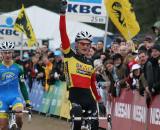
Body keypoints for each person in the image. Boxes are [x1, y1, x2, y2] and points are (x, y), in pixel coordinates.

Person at [59, 1, 101, 130]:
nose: (85, 46)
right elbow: (63, 32)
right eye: (82, 44)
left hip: (89, 98)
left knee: (95, 125)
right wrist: (62, 14)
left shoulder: (90, 62)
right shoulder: (69, 54)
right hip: (75, 96)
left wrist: (100, 100)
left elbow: (92, 83)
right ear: (76, 44)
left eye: (88, 44)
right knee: (77, 118)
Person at [0, 41, 31, 130]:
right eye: (5, 52)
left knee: (18, 115)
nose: (7, 55)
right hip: (2, 98)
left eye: (9, 52)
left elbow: (22, 85)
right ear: (1, 53)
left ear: (12, 53)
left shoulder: (19, 68)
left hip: (15, 97)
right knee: (3, 127)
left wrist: (27, 101)